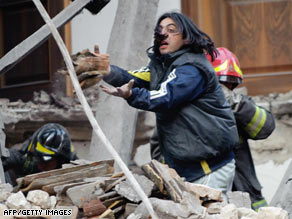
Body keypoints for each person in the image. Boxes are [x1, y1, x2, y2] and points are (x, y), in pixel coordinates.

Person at [80, 12, 239, 198]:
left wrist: (132, 95)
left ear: (187, 38)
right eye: (160, 30)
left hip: (209, 169)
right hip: (184, 168)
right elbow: (134, 79)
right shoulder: (161, 66)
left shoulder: (191, 69)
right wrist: (106, 70)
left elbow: (165, 96)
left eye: (171, 30)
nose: (163, 34)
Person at [206, 47, 275, 210]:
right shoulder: (184, 110)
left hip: (248, 200)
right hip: (207, 199)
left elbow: (266, 127)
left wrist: (235, 104)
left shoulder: (238, 108)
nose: (225, 88)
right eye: (220, 83)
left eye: (229, 84)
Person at [2, 123, 78, 186]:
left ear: (61, 161)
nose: (40, 165)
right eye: (37, 158)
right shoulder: (26, 158)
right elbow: (11, 157)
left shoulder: (74, 169)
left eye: (46, 162)